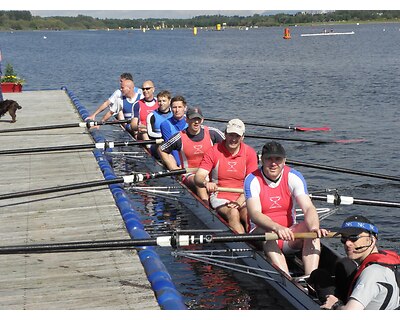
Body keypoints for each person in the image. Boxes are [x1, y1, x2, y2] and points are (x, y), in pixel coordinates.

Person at [244, 141, 328, 276]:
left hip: (289, 235)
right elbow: (255, 214)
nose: (273, 163)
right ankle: (287, 279)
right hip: (261, 235)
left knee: (311, 231)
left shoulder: (293, 176)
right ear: (261, 160)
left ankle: (312, 278)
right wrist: (276, 227)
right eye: (269, 159)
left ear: (284, 161)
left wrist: (314, 228)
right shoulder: (252, 179)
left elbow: (308, 208)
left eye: (277, 159)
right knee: (268, 231)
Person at [320, 215, 399, 310]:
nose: (347, 243)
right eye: (344, 239)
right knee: (344, 264)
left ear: (372, 239)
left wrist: (335, 305)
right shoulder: (387, 266)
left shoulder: (372, 272)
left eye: (354, 238)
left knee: (319, 277)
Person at [194, 119, 258, 234]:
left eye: (237, 136)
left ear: (242, 137)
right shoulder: (213, 151)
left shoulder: (250, 153)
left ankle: (256, 243)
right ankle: (243, 246)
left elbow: (252, 184)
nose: (233, 139)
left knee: (249, 214)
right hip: (220, 195)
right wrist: (205, 183)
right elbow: (198, 177)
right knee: (233, 212)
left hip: (243, 195)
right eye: (230, 135)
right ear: (225, 134)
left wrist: (239, 200)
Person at [158, 107, 225, 203]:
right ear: (187, 120)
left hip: (208, 171)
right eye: (193, 119)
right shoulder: (179, 137)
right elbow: (161, 149)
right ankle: (206, 205)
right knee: (199, 182)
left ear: (202, 120)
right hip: (189, 173)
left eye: (198, 119)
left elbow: (229, 145)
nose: (196, 122)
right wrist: (173, 168)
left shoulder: (212, 132)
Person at [159, 95, 188, 166]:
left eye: (180, 107)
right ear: (171, 109)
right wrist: (180, 164)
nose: (177, 110)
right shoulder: (165, 125)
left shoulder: (190, 122)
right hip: (174, 157)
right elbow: (171, 148)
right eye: (174, 107)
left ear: (185, 108)